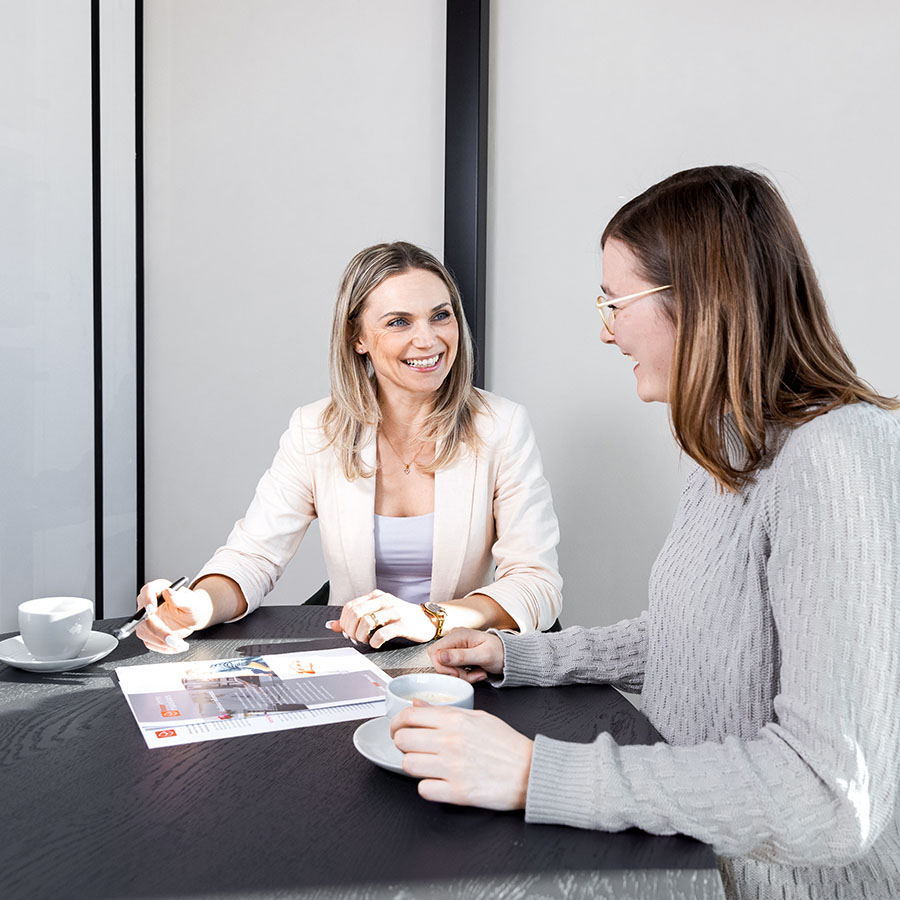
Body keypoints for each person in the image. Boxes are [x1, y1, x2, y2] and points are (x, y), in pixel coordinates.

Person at [390, 167, 900, 900]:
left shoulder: (833, 455)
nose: (603, 330)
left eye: (614, 302)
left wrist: (539, 773)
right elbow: (690, 639)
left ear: (700, 300)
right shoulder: (728, 446)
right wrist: (519, 656)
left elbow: (827, 797)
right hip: (692, 858)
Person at [135, 241, 562, 654]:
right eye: (398, 322)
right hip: (356, 657)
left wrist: (430, 618)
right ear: (358, 338)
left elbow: (535, 581)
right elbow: (255, 555)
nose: (428, 340)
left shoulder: (501, 427)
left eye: (440, 316)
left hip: (458, 661)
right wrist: (197, 605)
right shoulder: (315, 430)